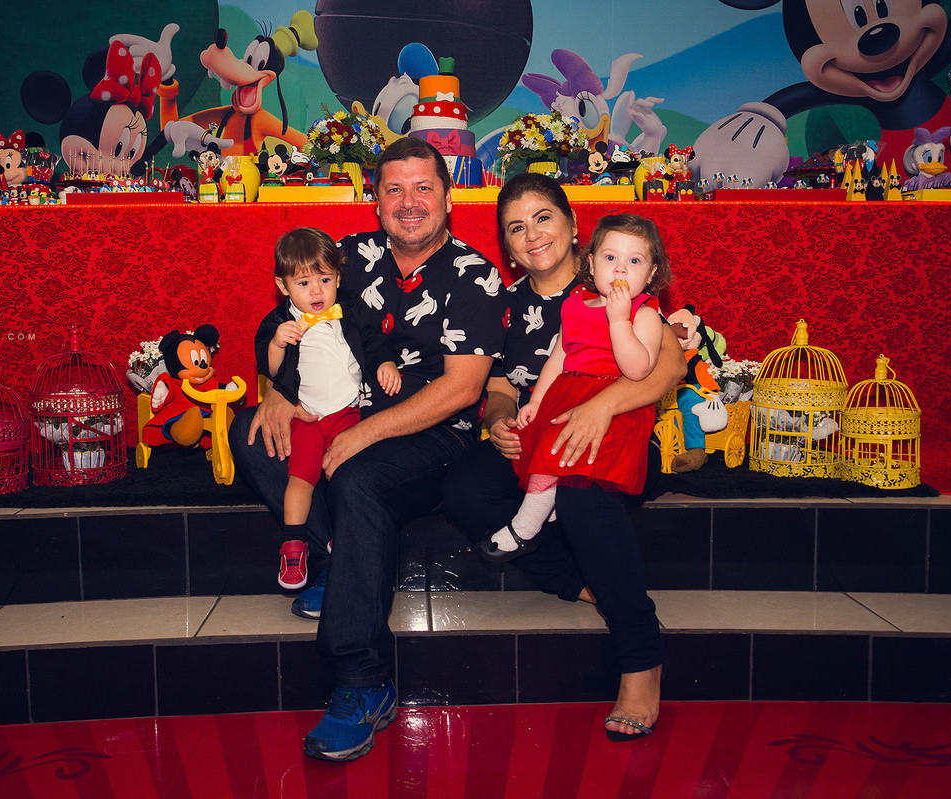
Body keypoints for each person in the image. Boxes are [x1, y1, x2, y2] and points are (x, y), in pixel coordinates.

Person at [228, 137, 506, 761]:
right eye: (394, 189)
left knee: (358, 476)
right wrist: (277, 391)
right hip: (341, 412)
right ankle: (335, 559)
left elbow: (463, 391)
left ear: (449, 198)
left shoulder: (476, 276)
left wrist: (367, 432)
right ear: (375, 201)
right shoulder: (347, 257)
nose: (409, 202)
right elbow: (290, 322)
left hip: (436, 434)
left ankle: (361, 679)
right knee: (252, 433)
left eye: (423, 188)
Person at [442, 174, 685, 742]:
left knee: (580, 498)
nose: (532, 234)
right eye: (516, 227)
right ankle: (582, 582)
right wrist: (501, 420)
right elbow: (499, 383)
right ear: (507, 245)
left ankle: (641, 657)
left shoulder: (619, 270)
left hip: (619, 431)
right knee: (465, 488)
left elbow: (668, 364)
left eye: (543, 217)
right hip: (542, 433)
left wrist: (601, 407)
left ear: (575, 227)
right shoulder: (502, 305)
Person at [479, 212, 672, 560]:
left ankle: (525, 527)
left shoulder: (644, 314)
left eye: (634, 261)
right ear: (592, 264)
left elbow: (638, 370)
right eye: (610, 257)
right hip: (567, 396)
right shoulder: (575, 305)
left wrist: (619, 322)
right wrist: (536, 402)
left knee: (560, 456)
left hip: (616, 407)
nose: (621, 269)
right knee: (548, 451)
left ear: (651, 273)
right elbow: (558, 359)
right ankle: (546, 506)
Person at [256, 227, 400, 590]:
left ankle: (345, 534)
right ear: (283, 285)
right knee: (301, 479)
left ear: (338, 277)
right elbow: (271, 371)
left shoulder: (348, 307)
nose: (317, 292)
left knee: (347, 476)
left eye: (325, 279)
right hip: (308, 416)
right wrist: (277, 344)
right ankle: (293, 544)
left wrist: (385, 363)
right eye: (303, 283)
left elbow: (373, 339)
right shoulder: (278, 323)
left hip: (350, 412)